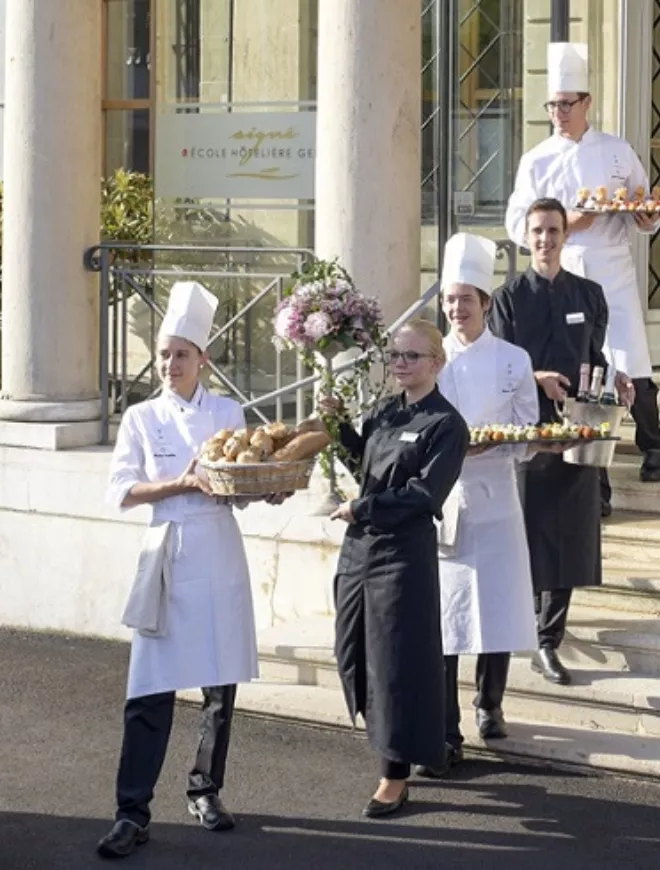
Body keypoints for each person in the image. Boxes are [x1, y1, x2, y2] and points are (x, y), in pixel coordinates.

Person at [97, 281, 285, 859]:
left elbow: (239, 485)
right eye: (163, 354)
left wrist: (266, 488)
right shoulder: (140, 416)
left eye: (181, 354)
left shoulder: (228, 412)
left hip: (219, 553)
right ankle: (132, 812)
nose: (170, 364)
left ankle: (205, 789)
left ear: (202, 358)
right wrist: (181, 481)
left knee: (218, 685)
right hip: (167, 555)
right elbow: (122, 491)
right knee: (150, 690)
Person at [322, 319, 469, 818]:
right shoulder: (386, 410)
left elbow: (424, 496)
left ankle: (394, 775)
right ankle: (392, 743)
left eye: (412, 356)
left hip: (401, 557)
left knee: (393, 665)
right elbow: (362, 465)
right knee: (353, 650)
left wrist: (361, 509)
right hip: (359, 550)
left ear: (437, 362)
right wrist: (337, 425)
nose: (401, 364)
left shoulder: (447, 425)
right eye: (395, 356)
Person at [505, 41, 660, 512]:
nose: (559, 113)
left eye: (567, 104)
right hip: (566, 274)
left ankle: (655, 445)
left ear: (587, 103)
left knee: (631, 357)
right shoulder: (536, 160)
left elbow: (643, 206)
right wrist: (569, 223)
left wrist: (646, 218)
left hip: (612, 266)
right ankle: (596, 481)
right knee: (586, 371)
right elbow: (517, 224)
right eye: (552, 105)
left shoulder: (616, 151)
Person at [489, 198, 635, 686]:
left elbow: (596, 359)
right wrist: (536, 377)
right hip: (528, 436)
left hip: (578, 432)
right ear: (526, 237)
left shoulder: (590, 295)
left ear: (565, 234)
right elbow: (498, 368)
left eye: (553, 230)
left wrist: (620, 383)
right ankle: (526, 627)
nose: (546, 239)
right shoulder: (508, 298)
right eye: (538, 231)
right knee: (530, 535)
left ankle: (548, 641)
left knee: (571, 537)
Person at [414, 234, 538, 779]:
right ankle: (445, 727)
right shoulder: (428, 358)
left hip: (498, 496)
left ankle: (490, 704)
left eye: (466, 298)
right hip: (446, 501)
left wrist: (499, 441)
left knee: (499, 608)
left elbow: (530, 432)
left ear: (486, 303)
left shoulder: (514, 359)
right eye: (448, 298)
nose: (456, 307)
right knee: (447, 617)